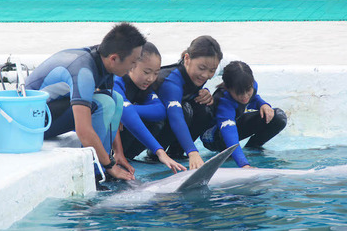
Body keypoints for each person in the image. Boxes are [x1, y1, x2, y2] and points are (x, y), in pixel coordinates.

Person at [25, 23, 147, 181]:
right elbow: (83, 131)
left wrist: (118, 154)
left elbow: (111, 115)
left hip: (50, 111)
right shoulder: (83, 72)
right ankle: (95, 172)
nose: (135, 66)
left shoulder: (104, 60)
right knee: (104, 103)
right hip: (32, 120)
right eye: (133, 62)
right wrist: (111, 166)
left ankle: (103, 166)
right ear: (114, 59)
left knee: (115, 99)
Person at [113, 42, 187, 173]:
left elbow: (160, 111)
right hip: (89, 137)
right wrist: (160, 152)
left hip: (122, 133)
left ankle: (127, 157)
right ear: (131, 65)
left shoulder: (143, 88)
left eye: (156, 73)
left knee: (155, 121)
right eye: (146, 72)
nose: (151, 78)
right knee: (121, 119)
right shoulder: (117, 81)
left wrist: (123, 111)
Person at [152, 35, 223, 170]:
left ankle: (176, 152)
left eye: (211, 71)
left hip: (165, 122)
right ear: (187, 59)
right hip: (142, 129)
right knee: (184, 111)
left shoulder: (195, 75)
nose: (205, 75)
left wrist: (204, 93)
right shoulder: (171, 80)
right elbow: (176, 116)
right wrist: (193, 151)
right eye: (202, 68)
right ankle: (154, 154)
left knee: (205, 109)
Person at [201, 61, 287, 167]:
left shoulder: (251, 85)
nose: (245, 96)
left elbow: (253, 97)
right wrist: (244, 164)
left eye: (248, 90)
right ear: (228, 88)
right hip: (214, 137)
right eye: (239, 93)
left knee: (278, 117)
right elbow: (229, 132)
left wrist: (263, 104)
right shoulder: (223, 101)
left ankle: (252, 149)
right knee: (226, 137)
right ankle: (233, 155)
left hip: (235, 123)